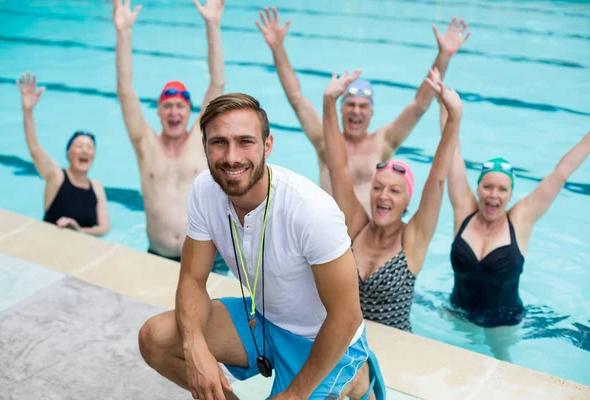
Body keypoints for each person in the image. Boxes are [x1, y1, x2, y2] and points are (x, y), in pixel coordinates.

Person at [137, 93, 386, 400]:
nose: (231, 157)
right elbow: (192, 278)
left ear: (267, 145)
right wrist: (194, 347)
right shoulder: (205, 190)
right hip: (264, 321)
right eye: (219, 142)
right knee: (155, 339)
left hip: (322, 339)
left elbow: (346, 317)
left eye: (245, 141)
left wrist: (295, 394)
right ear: (204, 147)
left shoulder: (311, 210)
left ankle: (358, 376)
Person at [256, 6, 470, 213]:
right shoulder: (326, 140)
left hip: (368, 237)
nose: (356, 111)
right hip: (329, 238)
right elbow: (296, 98)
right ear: (340, 110)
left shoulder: (383, 141)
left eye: (362, 106)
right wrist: (277, 48)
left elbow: (419, 105)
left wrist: (444, 56)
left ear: (371, 113)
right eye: (350, 104)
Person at [442, 93, 590, 358]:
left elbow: (561, 173)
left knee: (503, 371)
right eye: (487, 186)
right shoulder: (464, 209)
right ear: (477, 188)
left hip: (504, 325)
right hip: (457, 314)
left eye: (502, 189)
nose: (493, 195)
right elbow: (452, 153)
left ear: (511, 195)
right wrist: (447, 107)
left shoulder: (520, 219)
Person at [322, 68, 462, 332]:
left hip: (395, 348)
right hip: (345, 343)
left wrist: (454, 119)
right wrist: (329, 103)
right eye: (378, 188)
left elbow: (437, 180)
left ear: (406, 201)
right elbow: (338, 168)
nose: (383, 195)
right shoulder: (356, 225)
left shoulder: (413, 239)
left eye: (394, 191)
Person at [113, 0, 228, 272]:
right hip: (158, 257)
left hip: (208, 258)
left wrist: (212, 26)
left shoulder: (201, 140)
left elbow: (217, 83)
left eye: (180, 106)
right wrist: (123, 33)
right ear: (159, 111)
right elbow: (125, 91)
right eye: (168, 106)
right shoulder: (144, 142)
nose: (174, 112)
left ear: (190, 112)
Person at [16, 72, 110, 236]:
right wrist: (27, 111)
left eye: (89, 147)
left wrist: (78, 230)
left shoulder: (97, 187)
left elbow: (104, 228)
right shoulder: (56, 176)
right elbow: (34, 148)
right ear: (68, 153)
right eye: (79, 146)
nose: (85, 150)